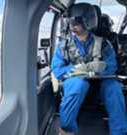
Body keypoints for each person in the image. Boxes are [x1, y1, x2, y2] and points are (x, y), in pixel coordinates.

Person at [51, 3, 127, 135]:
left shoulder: (103, 44)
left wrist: (101, 68)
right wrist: (76, 69)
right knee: (78, 84)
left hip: (100, 84)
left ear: (88, 22)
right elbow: (57, 69)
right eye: (70, 22)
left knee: (114, 87)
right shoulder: (64, 46)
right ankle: (67, 130)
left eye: (76, 23)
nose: (72, 26)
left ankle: (119, 131)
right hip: (75, 82)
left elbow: (112, 66)